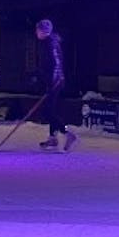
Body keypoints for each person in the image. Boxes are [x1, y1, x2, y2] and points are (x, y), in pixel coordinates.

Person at [35, 19, 77, 151]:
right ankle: (52, 137)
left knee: (48, 111)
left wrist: (51, 82)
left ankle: (67, 133)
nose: (36, 32)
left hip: (55, 81)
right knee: (50, 109)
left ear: (43, 31)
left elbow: (55, 64)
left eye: (38, 30)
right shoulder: (48, 42)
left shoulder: (50, 43)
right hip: (54, 80)